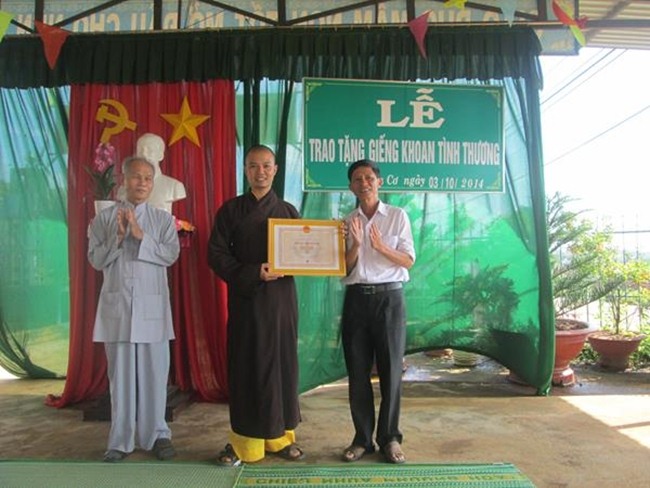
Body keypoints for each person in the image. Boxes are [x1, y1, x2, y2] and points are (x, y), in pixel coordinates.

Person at [207, 145, 305, 466]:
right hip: (247, 300)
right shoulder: (231, 210)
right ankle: (244, 443)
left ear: (275, 170)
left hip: (281, 303)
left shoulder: (288, 211)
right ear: (245, 170)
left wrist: (326, 241)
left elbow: (306, 252)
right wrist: (253, 272)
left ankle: (281, 438)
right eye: (253, 166)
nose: (260, 172)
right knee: (249, 365)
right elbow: (216, 255)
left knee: (282, 365)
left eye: (266, 166)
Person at [88, 156, 180, 463]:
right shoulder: (103, 219)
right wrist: (117, 238)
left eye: (147, 178)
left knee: (155, 375)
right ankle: (120, 440)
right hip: (118, 311)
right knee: (121, 380)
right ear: (123, 180)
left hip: (152, 310)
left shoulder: (162, 220)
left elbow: (170, 255)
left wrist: (141, 236)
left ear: (152, 184)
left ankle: (157, 435)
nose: (141, 183)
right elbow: (95, 260)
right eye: (136, 177)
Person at [339, 159, 415, 465]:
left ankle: (390, 438)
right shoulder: (346, 222)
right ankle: (362, 439)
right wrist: (355, 245)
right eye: (357, 179)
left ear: (379, 182)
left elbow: (408, 260)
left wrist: (381, 246)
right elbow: (343, 268)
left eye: (369, 178)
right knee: (358, 372)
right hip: (356, 299)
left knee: (391, 371)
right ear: (351, 187)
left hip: (390, 300)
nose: (364, 183)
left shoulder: (397, 216)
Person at [117, 133, 187, 213]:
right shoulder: (125, 187)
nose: (144, 154)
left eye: (150, 151)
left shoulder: (174, 186)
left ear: (161, 155)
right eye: (141, 150)